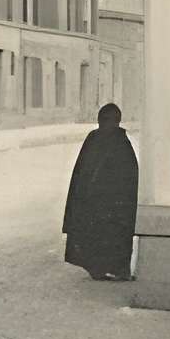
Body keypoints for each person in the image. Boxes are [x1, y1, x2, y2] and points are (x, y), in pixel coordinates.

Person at [62, 103, 137, 282]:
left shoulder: (98, 139)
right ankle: (110, 269)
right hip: (108, 203)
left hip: (101, 202)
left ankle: (103, 268)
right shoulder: (117, 141)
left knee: (101, 234)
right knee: (109, 234)